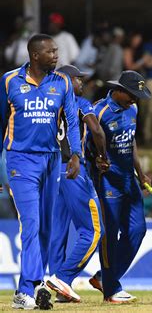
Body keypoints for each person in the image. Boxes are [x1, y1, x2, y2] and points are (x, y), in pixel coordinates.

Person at [0, 33, 81, 310]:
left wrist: (76, 154)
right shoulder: (10, 81)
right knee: (31, 224)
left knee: (46, 227)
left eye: (57, 51)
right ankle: (29, 288)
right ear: (35, 55)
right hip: (20, 160)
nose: (57, 56)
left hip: (52, 159)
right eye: (51, 52)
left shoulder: (63, 83)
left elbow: (72, 121)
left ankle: (28, 287)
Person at [46, 65, 109, 303]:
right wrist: (103, 156)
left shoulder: (47, 100)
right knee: (94, 230)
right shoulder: (79, 102)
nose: (82, 84)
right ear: (65, 80)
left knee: (57, 232)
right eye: (78, 79)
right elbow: (96, 130)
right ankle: (63, 277)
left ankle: (59, 287)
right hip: (74, 170)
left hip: (52, 172)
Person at [88, 70, 151, 303]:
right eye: (132, 94)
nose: (136, 99)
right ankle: (111, 289)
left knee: (137, 230)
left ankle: (104, 277)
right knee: (109, 234)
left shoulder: (132, 109)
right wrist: (96, 161)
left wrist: (140, 172)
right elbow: (88, 146)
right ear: (119, 91)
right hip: (106, 180)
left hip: (128, 179)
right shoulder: (99, 111)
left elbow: (130, 139)